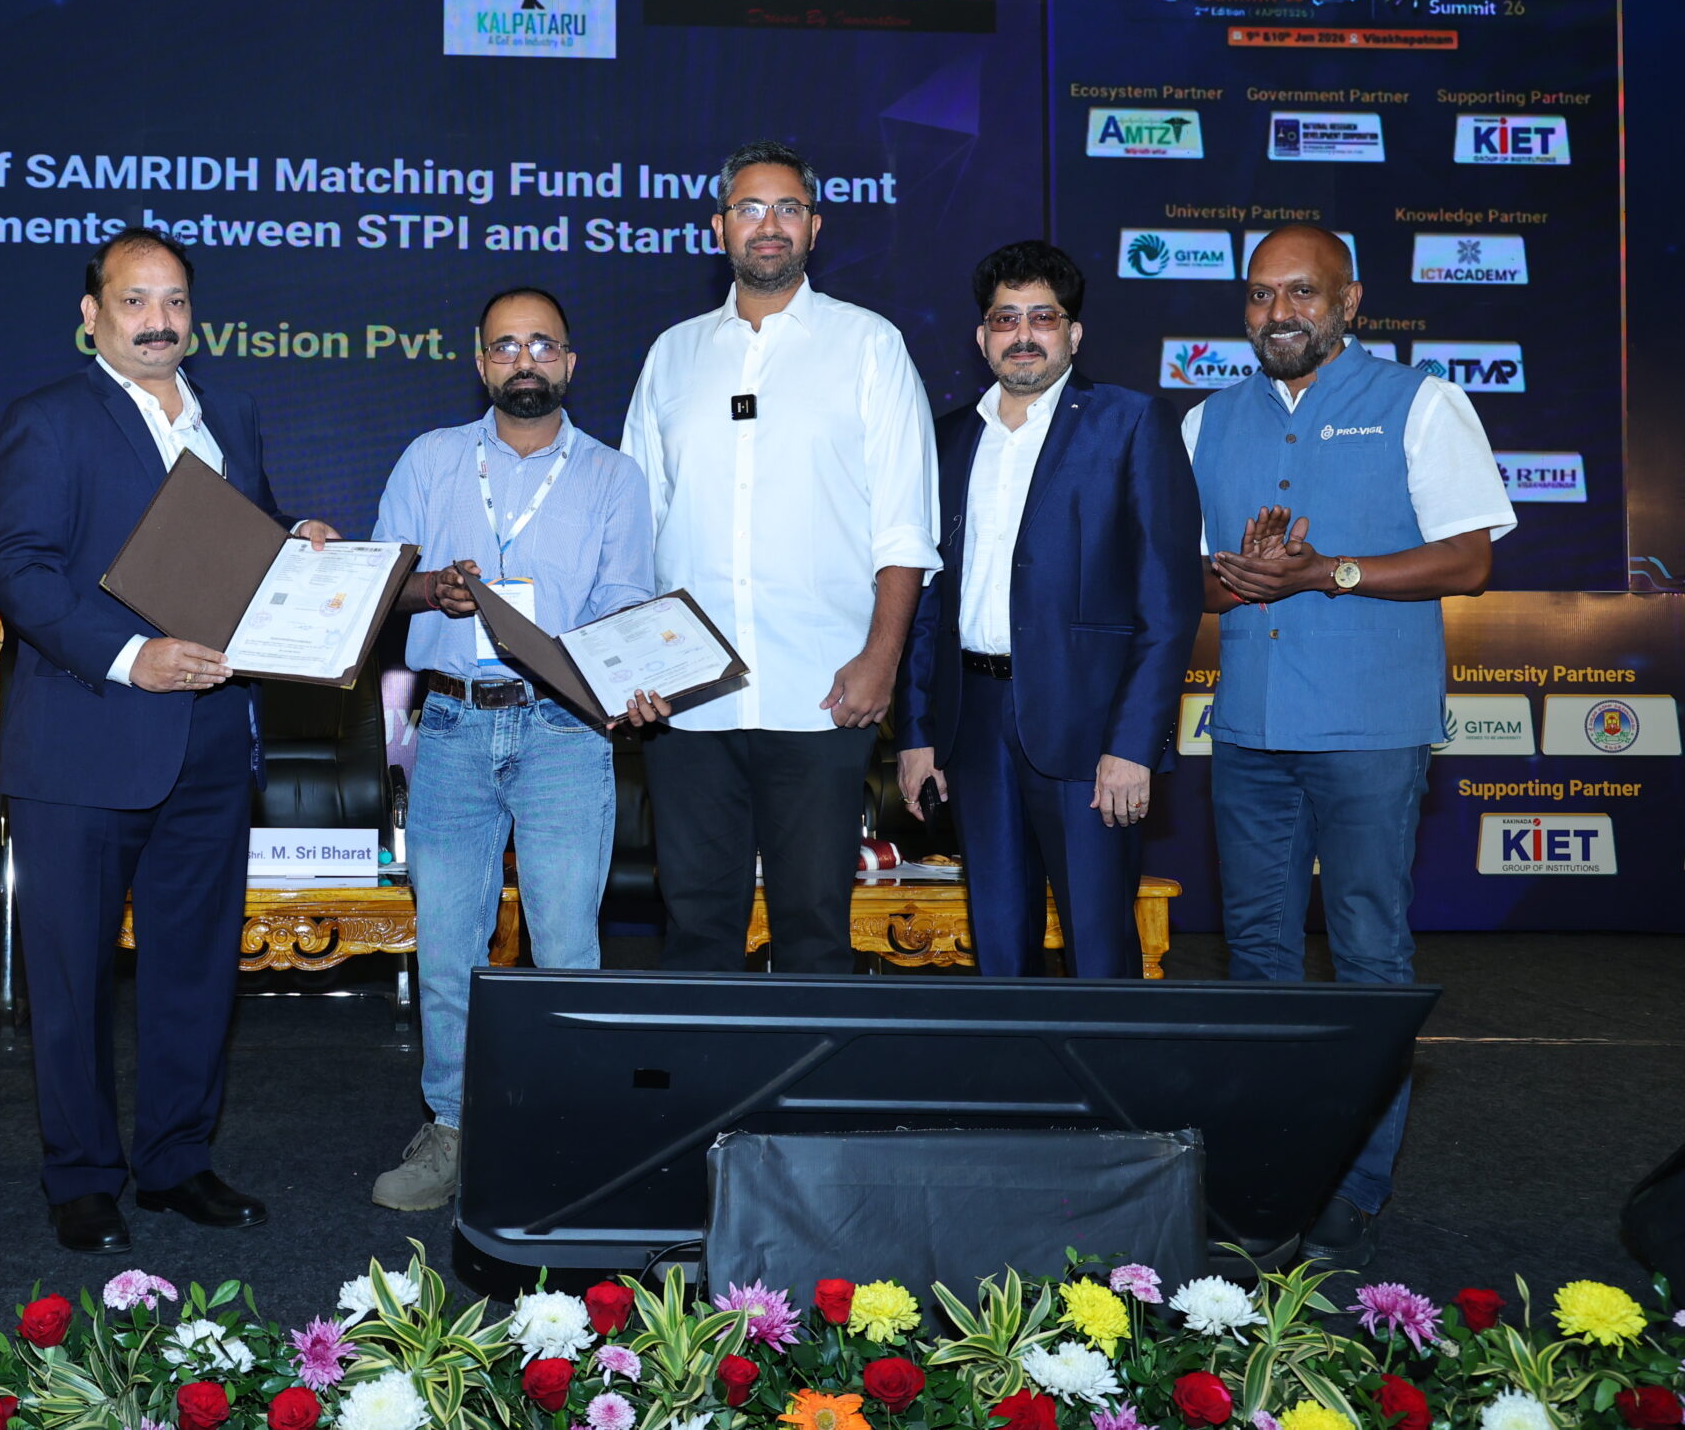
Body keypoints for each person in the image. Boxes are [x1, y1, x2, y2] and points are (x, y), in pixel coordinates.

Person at [0, 225, 335, 1254]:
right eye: (134, 301)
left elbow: (240, 549)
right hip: (84, 739)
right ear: (91, 315)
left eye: (175, 301)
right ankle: (82, 1176)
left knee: (195, 969)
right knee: (70, 978)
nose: (158, 321)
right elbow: (18, 570)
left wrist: (296, 544)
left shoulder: (231, 413)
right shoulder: (49, 417)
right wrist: (130, 656)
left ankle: (178, 1162)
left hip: (211, 739)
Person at [1192, 223, 1514, 1269]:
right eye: (1260, 295)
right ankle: (1265, 1174)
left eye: (1301, 292)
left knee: (1370, 954)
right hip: (1249, 729)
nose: (1278, 313)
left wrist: (1325, 572)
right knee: (1257, 960)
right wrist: (1233, 579)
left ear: (1349, 301)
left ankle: (1353, 1187)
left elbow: (1469, 562)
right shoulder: (1204, 421)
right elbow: (1187, 583)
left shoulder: (1421, 402)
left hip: (1372, 729)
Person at [365, 287, 661, 1211]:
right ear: (480, 362)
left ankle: (568, 1131)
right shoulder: (431, 459)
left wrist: (636, 674)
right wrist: (432, 591)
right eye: (505, 346)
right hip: (454, 725)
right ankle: (452, 1127)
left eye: (542, 345)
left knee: (567, 945)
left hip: (564, 729)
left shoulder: (614, 477)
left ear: (570, 362)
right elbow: (381, 582)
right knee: (448, 948)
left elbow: (626, 606)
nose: (524, 360)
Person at [620, 141, 940, 972]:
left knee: (814, 931)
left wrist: (882, 659)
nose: (770, 225)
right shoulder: (671, 355)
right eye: (751, 209)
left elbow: (905, 527)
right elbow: (636, 528)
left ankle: (811, 1070)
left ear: (815, 227)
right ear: (718, 227)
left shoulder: (869, 346)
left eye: (788, 208)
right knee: (695, 930)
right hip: (689, 700)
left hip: (822, 691)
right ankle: (705, 1065)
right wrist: (632, 667)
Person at [894, 241, 1202, 977]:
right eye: (1006, 318)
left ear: (1074, 332)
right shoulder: (948, 439)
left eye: (1043, 317)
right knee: (998, 947)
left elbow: (1168, 604)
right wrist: (917, 732)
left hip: (1090, 730)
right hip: (973, 726)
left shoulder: (1133, 423)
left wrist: (1133, 746)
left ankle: (1104, 1064)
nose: (1024, 334)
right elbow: (926, 599)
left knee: (1099, 951)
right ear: (982, 336)